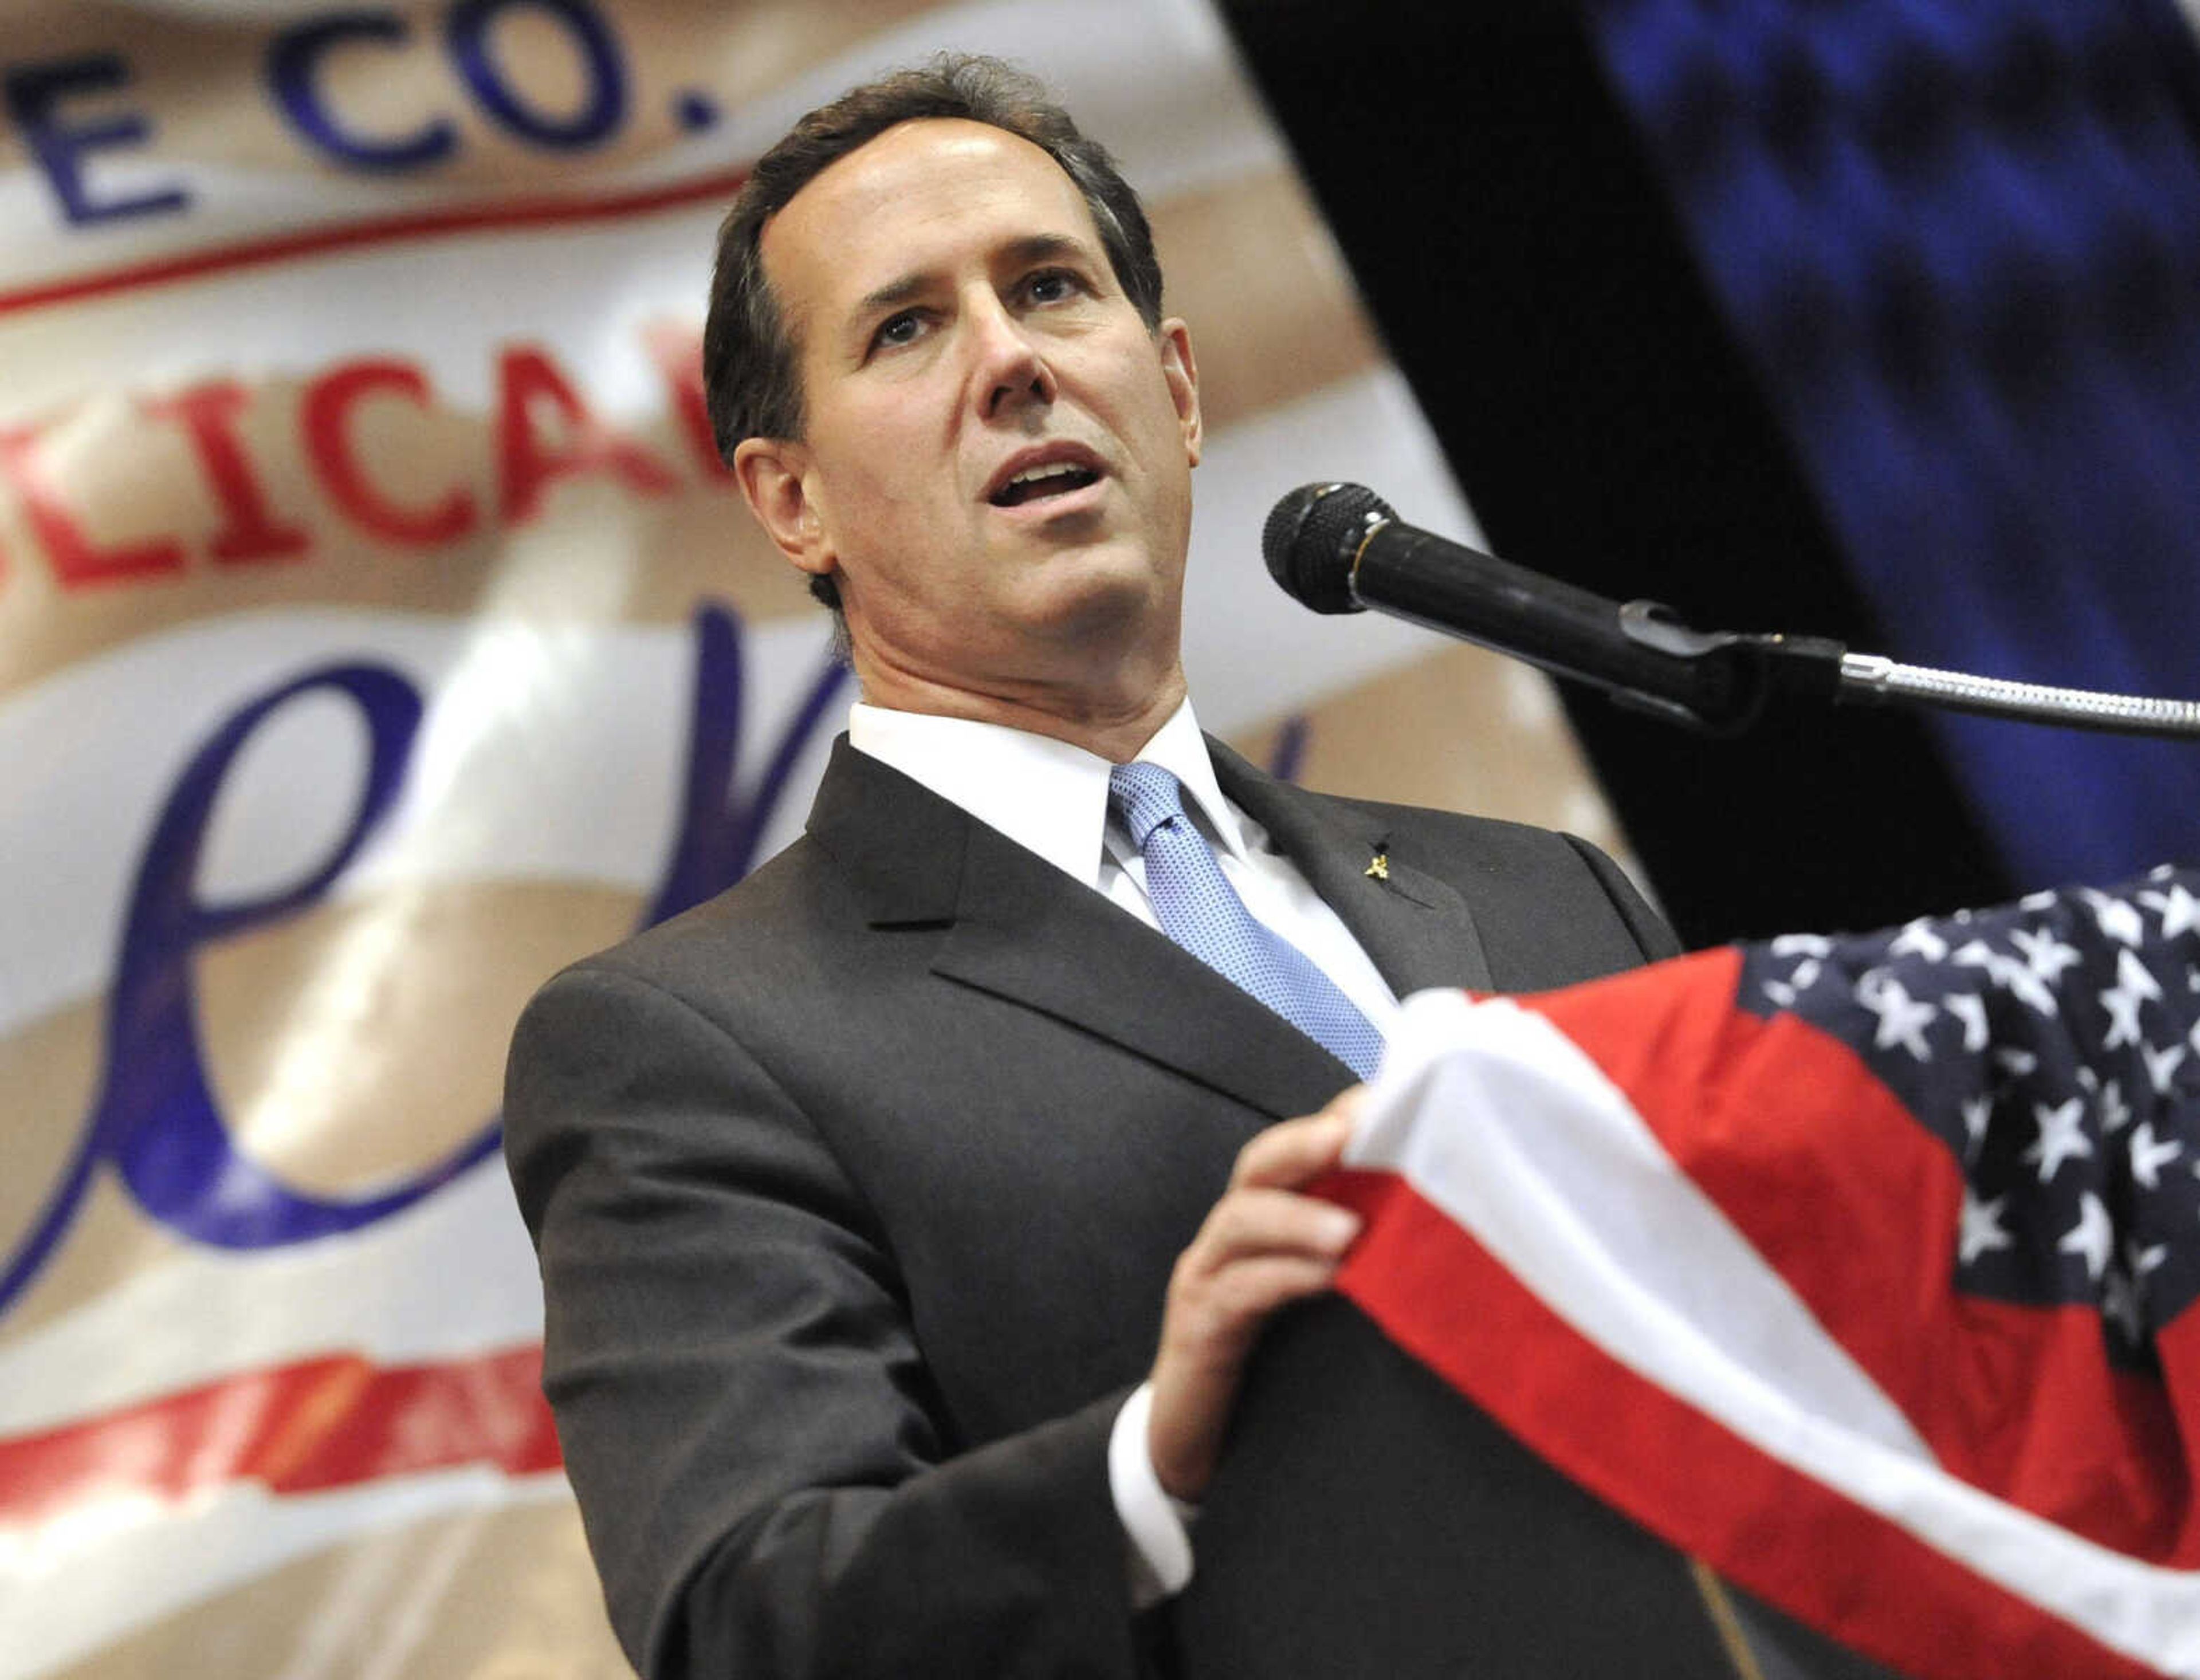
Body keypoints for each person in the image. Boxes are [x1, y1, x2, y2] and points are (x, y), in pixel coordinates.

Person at [502, 54, 1678, 1679]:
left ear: (1178, 394)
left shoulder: (1560, 898)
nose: (1011, 361)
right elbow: (749, 1624)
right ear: (792, 502)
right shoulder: (694, 1044)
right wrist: (1146, 1468)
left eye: (1050, 288)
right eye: (905, 328)